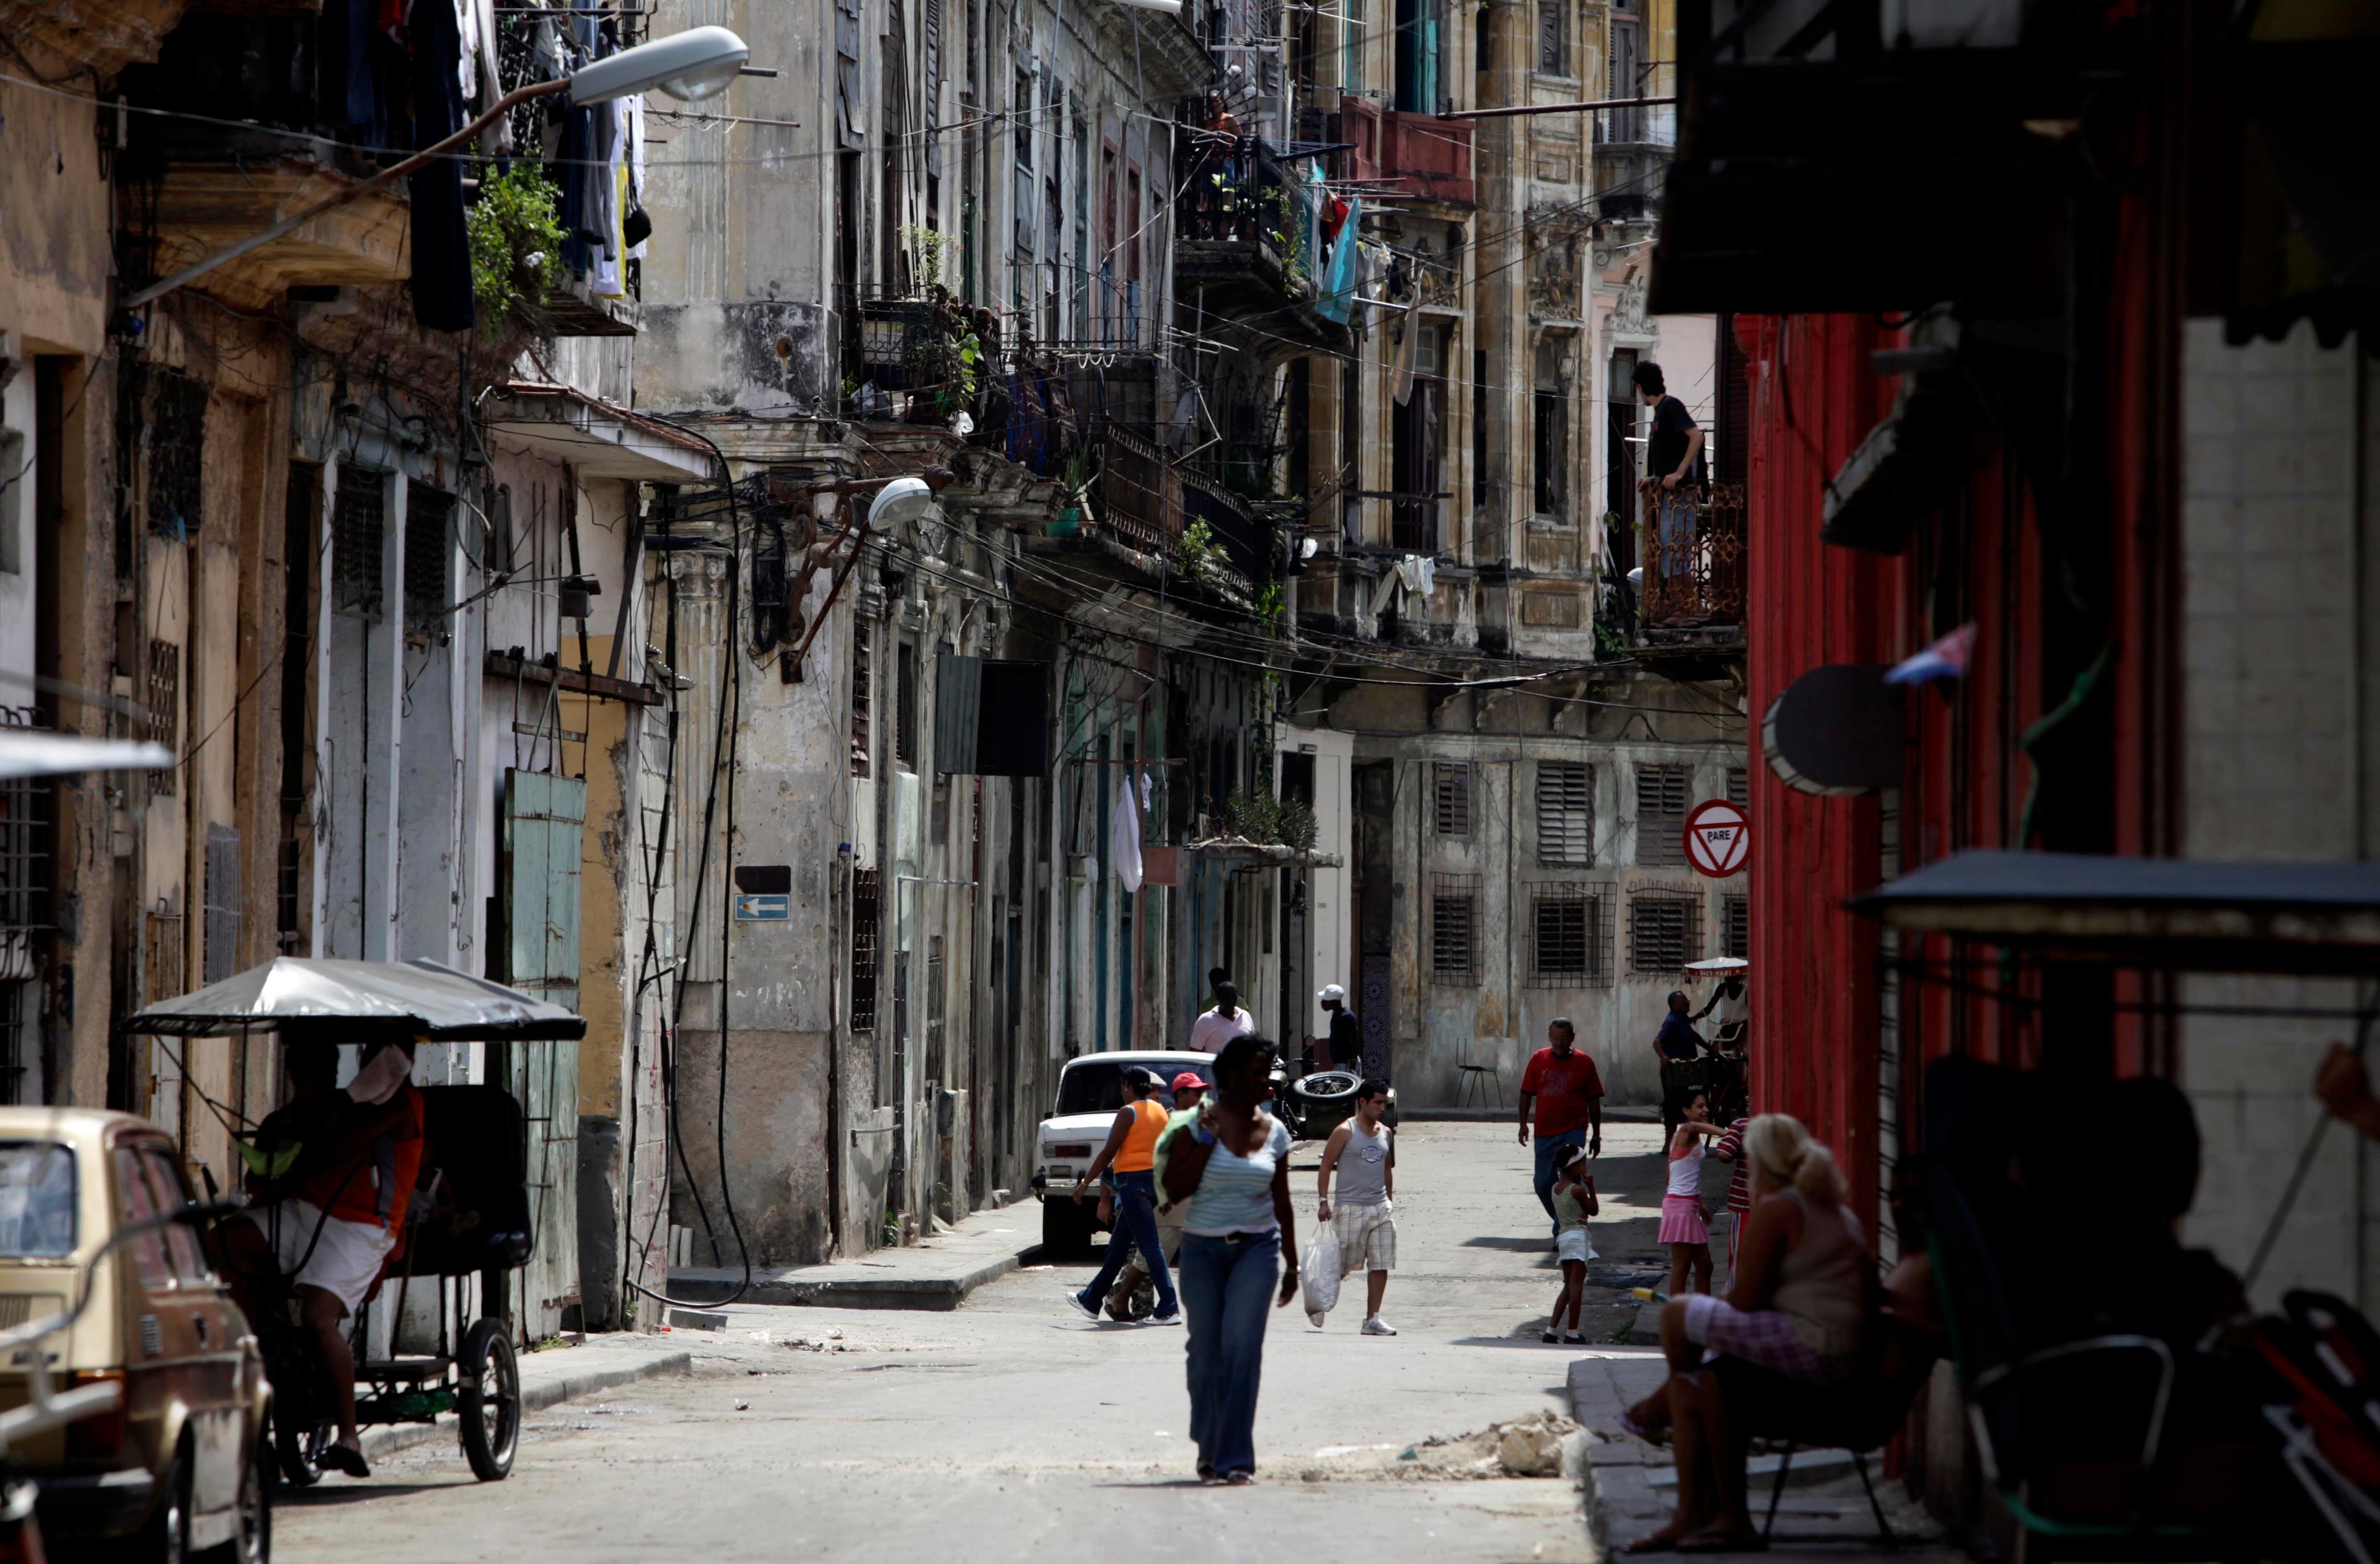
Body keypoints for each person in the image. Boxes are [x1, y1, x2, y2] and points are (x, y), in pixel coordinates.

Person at [1625, 1115, 1869, 1552]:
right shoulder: (1834, 1210)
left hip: (1816, 1347)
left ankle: (1658, 1409)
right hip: (1832, 1348)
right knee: (1691, 1386)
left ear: (1760, 1161)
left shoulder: (1781, 1209)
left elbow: (1745, 1301)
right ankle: (1694, 1504)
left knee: (1677, 1314)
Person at [220, 1036, 426, 1478]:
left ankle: (349, 1437)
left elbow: (333, 1145)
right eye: (371, 1055)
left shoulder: (401, 1104)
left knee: (318, 1315)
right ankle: (252, 1336)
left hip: (362, 1225)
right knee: (226, 1240)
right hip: (305, 1209)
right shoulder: (308, 1112)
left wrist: (320, 1117)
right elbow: (266, 1175)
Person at [1161, 1033, 1300, 1485]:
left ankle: (1235, 1456)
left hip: (1257, 1250)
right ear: (1234, 1075)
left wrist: (1292, 1265)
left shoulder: (1276, 1131)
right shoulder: (1197, 1123)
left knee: (1242, 1349)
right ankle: (1210, 1443)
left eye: (1269, 1073)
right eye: (1258, 1074)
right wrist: (1205, 1142)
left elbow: (1281, 1201)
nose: (1267, 1082)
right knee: (1206, 1353)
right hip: (1202, 1251)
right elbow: (1176, 1188)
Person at [1064, 1067, 1181, 1326]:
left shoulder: (1128, 1112)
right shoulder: (1159, 1111)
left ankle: (1169, 1307)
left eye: (1122, 1086)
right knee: (1117, 1249)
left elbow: (1108, 1153)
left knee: (1151, 1247)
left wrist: (1084, 1184)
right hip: (1153, 1184)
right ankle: (1091, 1300)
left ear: (1127, 1086)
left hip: (1133, 1185)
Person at [1106, 1071, 1212, 1320]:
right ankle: (1117, 1296)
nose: (1201, 1096)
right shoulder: (1167, 1120)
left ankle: (1115, 1296)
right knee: (1149, 1256)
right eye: (1195, 1092)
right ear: (1181, 1094)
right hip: (1171, 1200)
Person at [1315, 1078, 1398, 1337]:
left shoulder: (1387, 1133)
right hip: (1350, 1208)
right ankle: (1318, 1298)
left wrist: (1389, 1201)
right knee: (1343, 1266)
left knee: (1381, 1262)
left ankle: (1372, 1319)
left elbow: (1387, 1168)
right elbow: (1326, 1165)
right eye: (1378, 1102)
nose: (1382, 1107)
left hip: (1380, 1208)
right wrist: (1323, 1201)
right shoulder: (1344, 1131)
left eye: (1386, 1102)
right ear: (1362, 1102)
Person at [1518, 1017, 1604, 1237]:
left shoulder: (1584, 1063)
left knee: (1570, 1183)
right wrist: (1522, 1125)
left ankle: (1562, 1231)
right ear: (1549, 1037)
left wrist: (1597, 1135)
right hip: (1545, 1132)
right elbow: (1526, 1093)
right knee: (1542, 1182)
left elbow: (1594, 1100)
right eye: (1555, 1039)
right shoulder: (1539, 1059)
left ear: (1572, 1038)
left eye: (1564, 1039)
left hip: (1573, 1130)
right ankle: (1567, 1220)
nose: (1559, 1044)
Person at [1634, 361, 1705, 593]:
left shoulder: (1672, 406)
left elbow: (1696, 437)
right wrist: (1654, 478)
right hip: (1669, 494)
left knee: (1677, 549)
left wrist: (1679, 473)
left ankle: (1687, 607)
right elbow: (1669, 456)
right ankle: (1678, 605)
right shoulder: (1660, 412)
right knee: (1668, 548)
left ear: (1640, 387)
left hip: (1682, 494)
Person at [1660, 1088, 1726, 1299]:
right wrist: (1732, 1133)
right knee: (1682, 1267)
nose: (1706, 1110)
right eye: (1700, 1106)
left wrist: (1699, 1203)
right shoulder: (1688, 1129)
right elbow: (1696, 1125)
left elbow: (1672, 1177)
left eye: (1706, 1105)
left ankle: (1702, 1315)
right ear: (1686, 1111)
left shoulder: (1687, 1137)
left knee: (1705, 1267)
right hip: (1680, 1209)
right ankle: (1677, 1319)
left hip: (1687, 1205)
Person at [1544, 1144, 1598, 1345]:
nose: (1585, 1167)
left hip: (1564, 1238)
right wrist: (1591, 1186)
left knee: (1568, 1287)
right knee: (1577, 1287)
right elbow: (1594, 1210)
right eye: (1583, 1163)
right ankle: (1573, 1333)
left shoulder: (1556, 1189)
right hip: (1578, 1238)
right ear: (1574, 1166)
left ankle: (1551, 1330)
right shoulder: (1577, 1190)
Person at [1706, 1113, 1753, 1288]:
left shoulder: (1742, 1125)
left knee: (1740, 1257)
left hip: (1745, 1204)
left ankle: (1737, 1299)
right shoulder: (1783, 1123)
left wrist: (1735, 1133)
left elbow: (1724, 1154)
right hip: (1776, 1205)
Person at [1653, 991, 1703, 1146]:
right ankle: (1668, 1144)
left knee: (1688, 1104)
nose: (1688, 1002)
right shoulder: (1672, 1021)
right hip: (1674, 1073)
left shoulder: (1683, 1020)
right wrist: (1663, 1058)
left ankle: (1687, 1140)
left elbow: (1695, 1038)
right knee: (1673, 1106)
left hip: (1686, 1071)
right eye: (1684, 1001)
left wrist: (1711, 1049)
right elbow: (1657, 1042)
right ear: (1675, 1005)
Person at [1192, 980, 1256, 1054]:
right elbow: (1195, 1052)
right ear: (1218, 997)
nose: (1231, 1000)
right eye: (1226, 997)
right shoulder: (1205, 1020)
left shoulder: (1245, 1016)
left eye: (1234, 996)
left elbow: (1253, 1047)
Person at [1318, 983, 1363, 1070]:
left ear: (1332, 1001)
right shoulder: (1336, 1015)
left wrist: (1352, 1069)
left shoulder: (1346, 1017)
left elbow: (1354, 1044)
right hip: (1340, 1065)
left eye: (1324, 1000)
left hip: (1347, 1065)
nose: (1322, 1003)